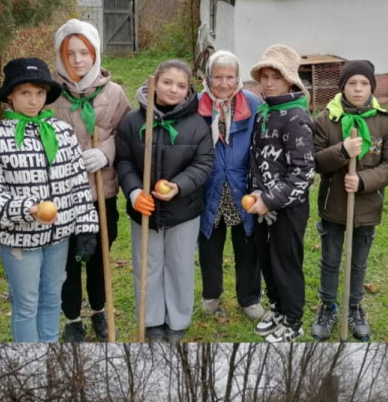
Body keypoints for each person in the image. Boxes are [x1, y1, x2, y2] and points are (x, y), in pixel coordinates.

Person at [0, 58, 98, 342]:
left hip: (59, 235)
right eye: (25, 93)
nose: (33, 101)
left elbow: (78, 183)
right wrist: (27, 210)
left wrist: (87, 226)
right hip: (20, 239)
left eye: (39, 93)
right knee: (27, 304)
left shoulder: (62, 133)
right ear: (10, 95)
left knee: (52, 299)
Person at [116, 60, 214, 342]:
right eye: (167, 82)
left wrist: (178, 186)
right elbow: (124, 161)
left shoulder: (197, 125)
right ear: (154, 83)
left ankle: (178, 320)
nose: (173, 89)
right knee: (148, 264)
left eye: (181, 85)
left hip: (183, 210)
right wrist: (134, 193)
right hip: (144, 211)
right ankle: (151, 320)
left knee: (180, 265)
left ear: (188, 91)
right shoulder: (133, 122)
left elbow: (204, 162)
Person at [310, 59, 388, 341]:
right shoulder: (326, 120)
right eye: (352, 83)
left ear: (372, 87)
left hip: (367, 206)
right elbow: (315, 162)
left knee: (358, 261)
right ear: (342, 87)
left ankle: (354, 307)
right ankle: (327, 306)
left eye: (364, 83)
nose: (358, 88)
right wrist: (342, 150)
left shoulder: (385, 123)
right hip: (333, 205)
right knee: (331, 259)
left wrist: (364, 181)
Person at [50, 19, 130, 342]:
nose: (79, 60)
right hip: (64, 195)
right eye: (71, 53)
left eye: (85, 52)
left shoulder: (113, 94)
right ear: (60, 56)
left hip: (101, 192)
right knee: (68, 260)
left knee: (99, 257)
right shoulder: (49, 93)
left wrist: (106, 152)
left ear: (95, 53)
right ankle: (71, 319)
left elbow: (128, 134)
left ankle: (99, 311)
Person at [244, 44, 315, 343]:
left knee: (286, 264)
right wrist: (257, 194)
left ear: (290, 81)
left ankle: (293, 322)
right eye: (264, 76)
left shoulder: (296, 118)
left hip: (288, 207)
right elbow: (257, 159)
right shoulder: (264, 112)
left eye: (275, 76)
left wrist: (271, 200)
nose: (268, 82)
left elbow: (303, 173)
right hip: (261, 203)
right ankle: (277, 309)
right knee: (267, 262)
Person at [197, 50, 265, 320]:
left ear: (238, 78)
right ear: (207, 77)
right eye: (218, 77)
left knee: (247, 247)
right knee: (209, 246)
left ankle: (249, 298)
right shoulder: (196, 104)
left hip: (242, 187)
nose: (224, 83)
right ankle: (211, 295)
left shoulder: (252, 104)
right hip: (209, 187)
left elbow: (262, 148)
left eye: (230, 77)